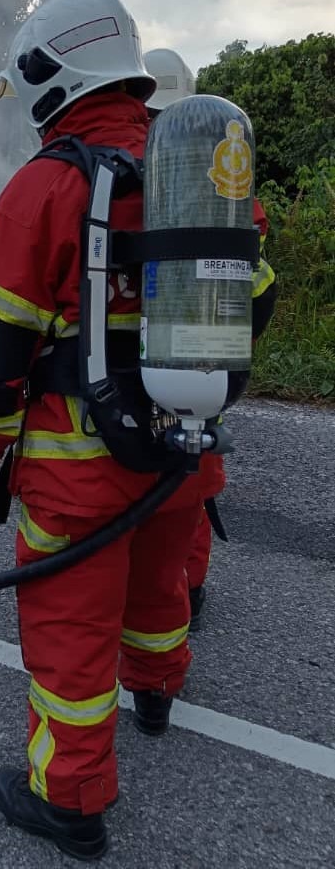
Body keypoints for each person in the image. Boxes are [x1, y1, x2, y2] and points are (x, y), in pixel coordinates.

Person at [0, 0, 268, 861]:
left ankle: (71, 797)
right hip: (179, 456)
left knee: (70, 636)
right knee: (161, 594)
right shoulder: (196, 169)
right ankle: (159, 691)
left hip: (76, 475)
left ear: (50, 76)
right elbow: (255, 289)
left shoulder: (46, 186)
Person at [143, 48, 277, 628]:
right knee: (190, 496)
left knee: (161, 495)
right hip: (202, 368)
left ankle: (160, 609)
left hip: (151, 368)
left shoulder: (137, 179)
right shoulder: (233, 194)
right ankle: (183, 604)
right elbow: (261, 286)